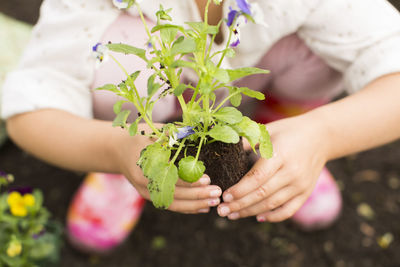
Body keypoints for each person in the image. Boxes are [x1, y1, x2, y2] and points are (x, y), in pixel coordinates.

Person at [2, 0, 400, 252]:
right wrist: (115, 151)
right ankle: (128, 170)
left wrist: (324, 134)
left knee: (317, 47)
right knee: (122, 59)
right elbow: (31, 107)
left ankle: (282, 142)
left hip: (250, 97)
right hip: (143, 126)